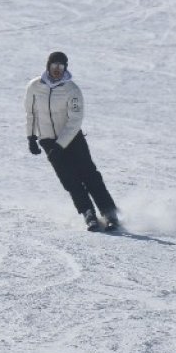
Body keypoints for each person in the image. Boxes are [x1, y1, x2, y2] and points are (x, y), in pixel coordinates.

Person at [23, 51, 119, 231]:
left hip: (72, 139)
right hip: (48, 140)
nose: (57, 70)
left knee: (89, 175)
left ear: (65, 67)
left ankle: (109, 213)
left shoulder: (71, 89)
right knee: (69, 180)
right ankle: (88, 213)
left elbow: (75, 120)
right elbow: (31, 113)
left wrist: (61, 144)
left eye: (61, 66)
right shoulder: (34, 87)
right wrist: (31, 137)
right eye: (54, 66)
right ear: (48, 66)